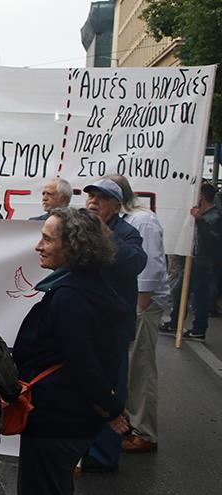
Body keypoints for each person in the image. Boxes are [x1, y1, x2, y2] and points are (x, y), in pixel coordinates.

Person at [11, 208, 130, 495]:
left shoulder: (70, 296)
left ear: (73, 246)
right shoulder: (88, 285)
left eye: (47, 238)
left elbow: (84, 364)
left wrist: (110, 408)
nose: (38, 246)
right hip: (67, 416)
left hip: (57, 419)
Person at [80, 178, 146, 473]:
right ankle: (81, 446)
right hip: (83, 323)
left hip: (112, 328)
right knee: (84, 384)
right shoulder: (80, 228)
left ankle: (104, 455)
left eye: (102, 198)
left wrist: (105, 234)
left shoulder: (127, 233)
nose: (93, 202)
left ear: (117, 206)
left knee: (109, 389)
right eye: (91, 196)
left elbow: (134, 263)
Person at [109, 175, 169, 454]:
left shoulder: (142, 220)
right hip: (133, 304)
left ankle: (145, 432)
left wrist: (139, 305)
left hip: (143, 304)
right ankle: (130, 424)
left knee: (140, 369)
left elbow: (151, 267)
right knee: (128, 369)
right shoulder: (128, 220)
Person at [161, 182, 222, 340]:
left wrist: (199, 220)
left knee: (184, 292)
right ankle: (192, 326)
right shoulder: (207, 215)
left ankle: (181, 323)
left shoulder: (214, 216)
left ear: (201, 196)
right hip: (199, 260)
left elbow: (212, 239)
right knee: (196, 296)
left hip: (204, 262)